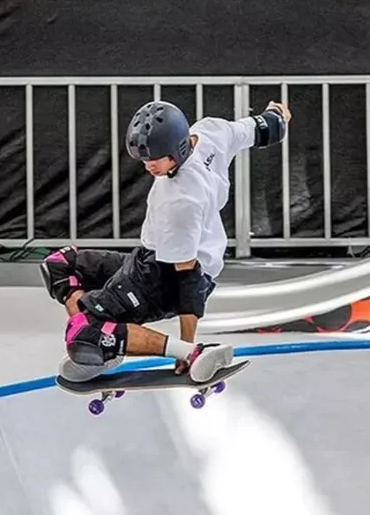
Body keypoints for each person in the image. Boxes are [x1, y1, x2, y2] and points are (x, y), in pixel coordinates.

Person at [40, 99, 291, 383]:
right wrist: (277, 116)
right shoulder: (210, 133)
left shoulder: (179, 200)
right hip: (148, 260)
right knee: (59, 264)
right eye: (144, 160)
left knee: (81, 331)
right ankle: (107, 340)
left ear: (177, 150)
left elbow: (189, 280)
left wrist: (188, 345)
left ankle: (184, 351)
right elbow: (261, 129)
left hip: (165, 278)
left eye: (154, 159)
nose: (148, 166)